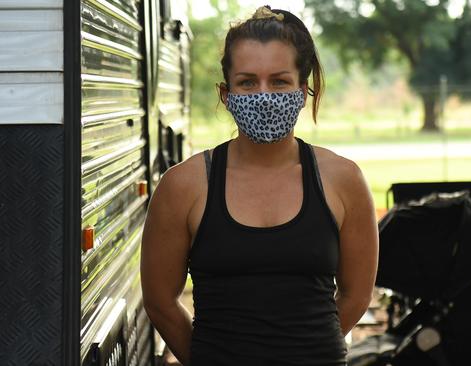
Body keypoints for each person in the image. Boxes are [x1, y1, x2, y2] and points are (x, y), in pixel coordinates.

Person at [140, 5, 379, 366]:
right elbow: (159, 301)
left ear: (303, 90)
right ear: (225, 93)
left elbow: (357, 296)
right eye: (248, 82)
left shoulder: (343, 180)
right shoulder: (183, 186)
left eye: (279, 81)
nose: (263, 95)